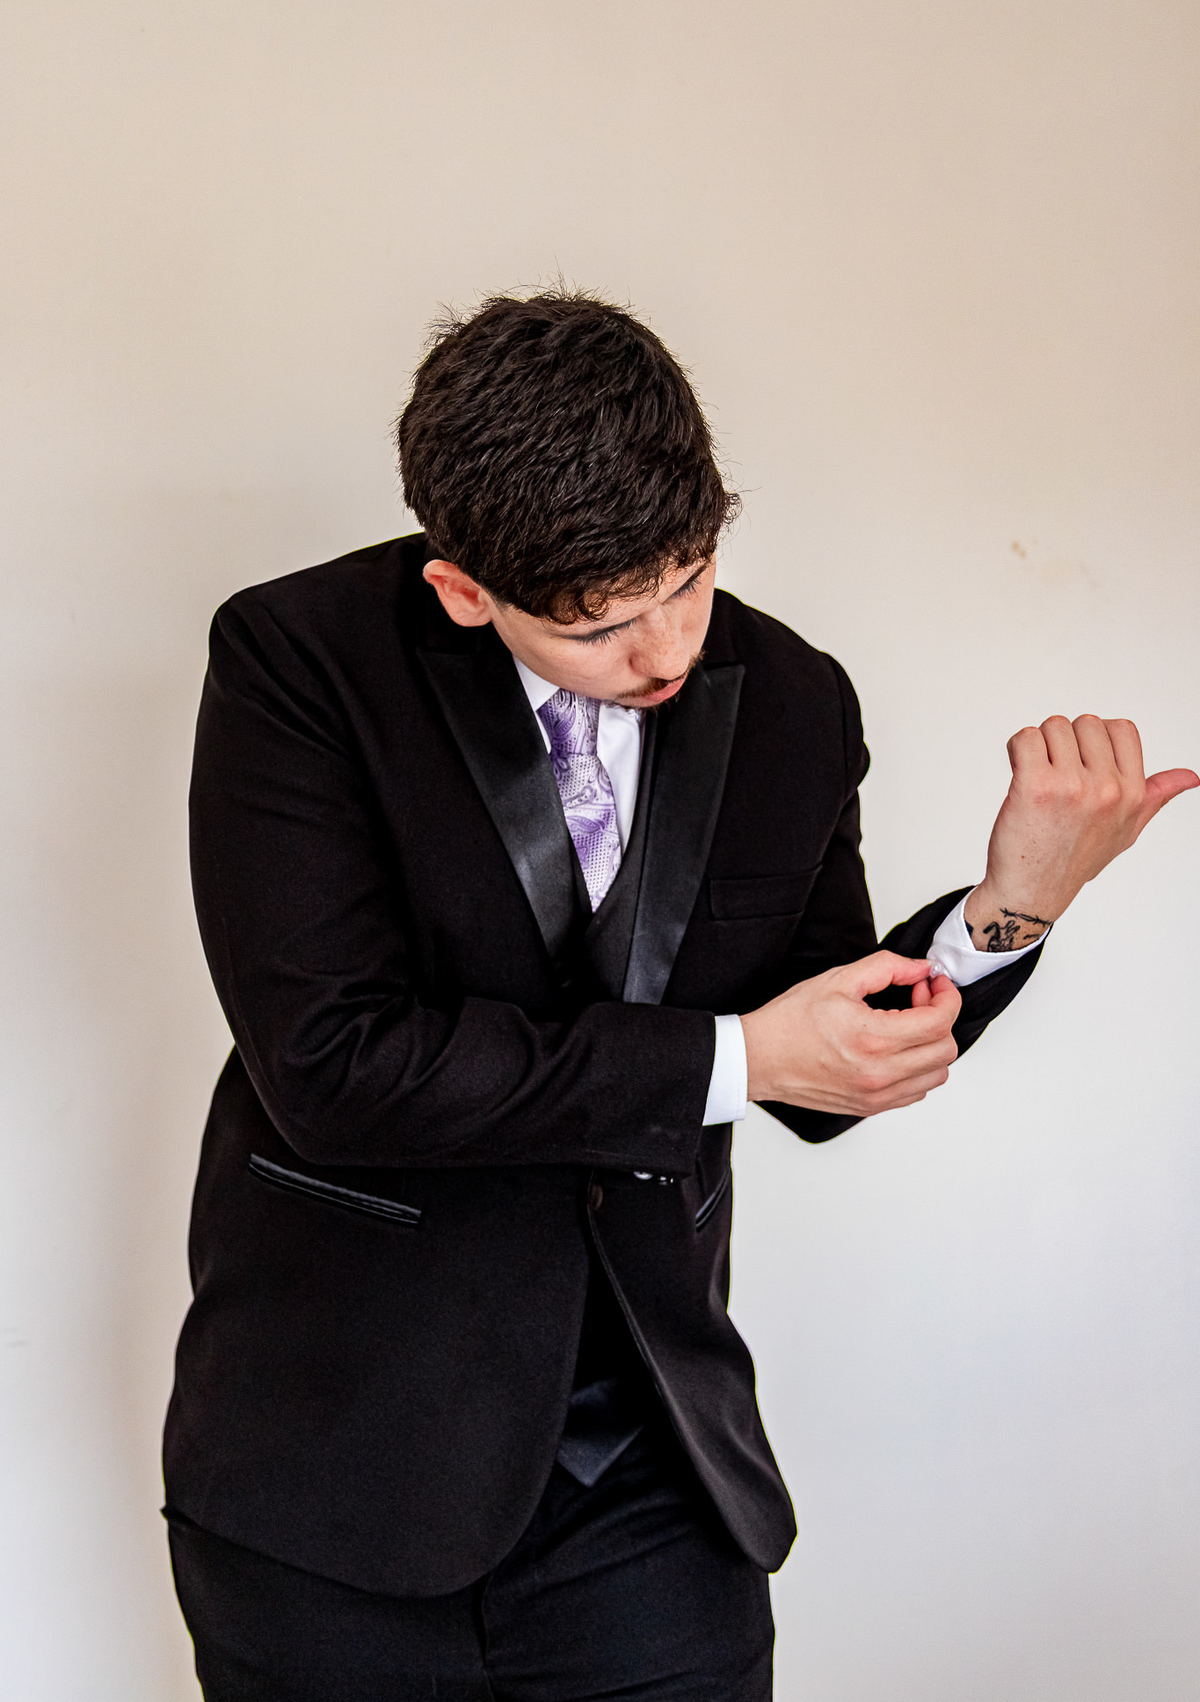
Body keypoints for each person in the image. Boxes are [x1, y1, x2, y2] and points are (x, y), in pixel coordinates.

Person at [164, 291, 1196, 1701]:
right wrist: (732, 1060)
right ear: (464, 590)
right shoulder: (298, 660)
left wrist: (1009, 908)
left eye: (692, 579)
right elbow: (336, 1069)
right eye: (600, 627)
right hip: (336, 1472)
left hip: (656, 1478)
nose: (666, 655)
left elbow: (819, 1069)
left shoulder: (796, 698)